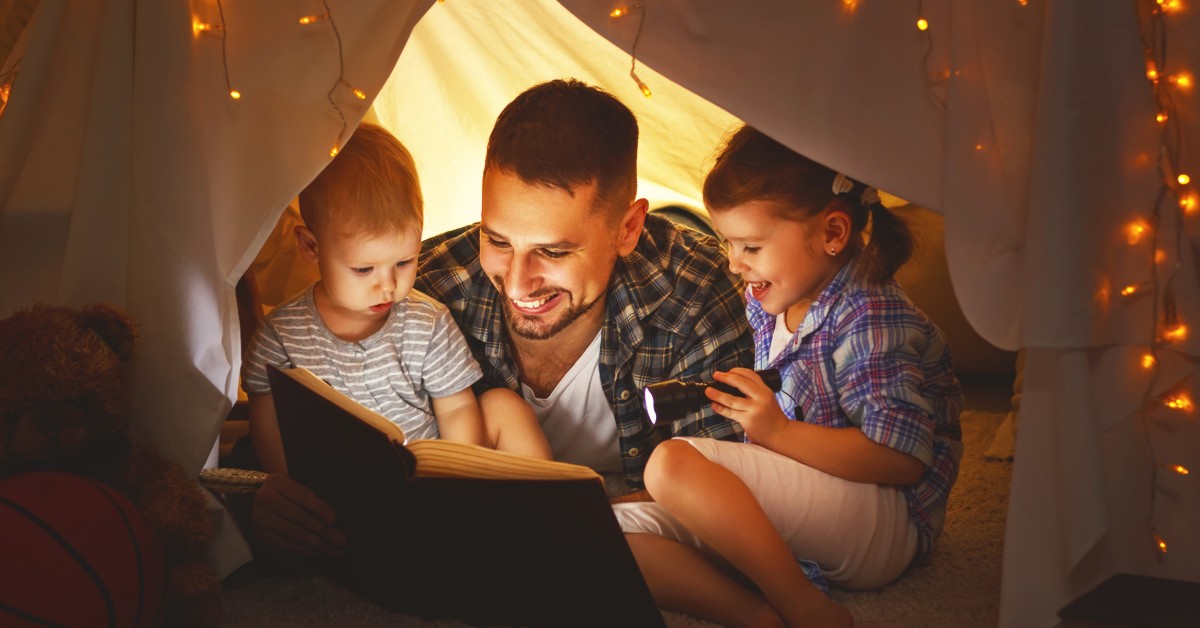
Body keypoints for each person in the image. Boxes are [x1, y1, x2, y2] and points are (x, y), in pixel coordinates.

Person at [616, 125, 964, 628]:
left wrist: (776, 432)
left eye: (751, 247)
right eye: (728, 244)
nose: (734, 264)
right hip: (817, 504)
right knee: (611, 535)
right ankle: (757, 614)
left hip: (887, 522)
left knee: (670, 464)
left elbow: (902, 459)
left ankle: (803, 606)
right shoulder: (768, 304)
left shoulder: (869, 314)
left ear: (832, 234)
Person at [416, 79, 754, 495]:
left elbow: (720, 496)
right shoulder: (425, 291)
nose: (518, 282)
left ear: (627, 229)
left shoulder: (697, 295)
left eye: (554, 252)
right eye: (498, 241)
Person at [242, 123, 552, 558]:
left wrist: (453, 478)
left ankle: (549, 519)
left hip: (426, 479)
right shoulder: (282, 334)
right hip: (340, 489)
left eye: (404, 262)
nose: (387, 286)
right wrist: (289, 486)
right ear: (311, 247)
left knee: (502, 406)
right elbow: (268, 418)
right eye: (364, 270)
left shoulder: (426, 321)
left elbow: (458, 406)